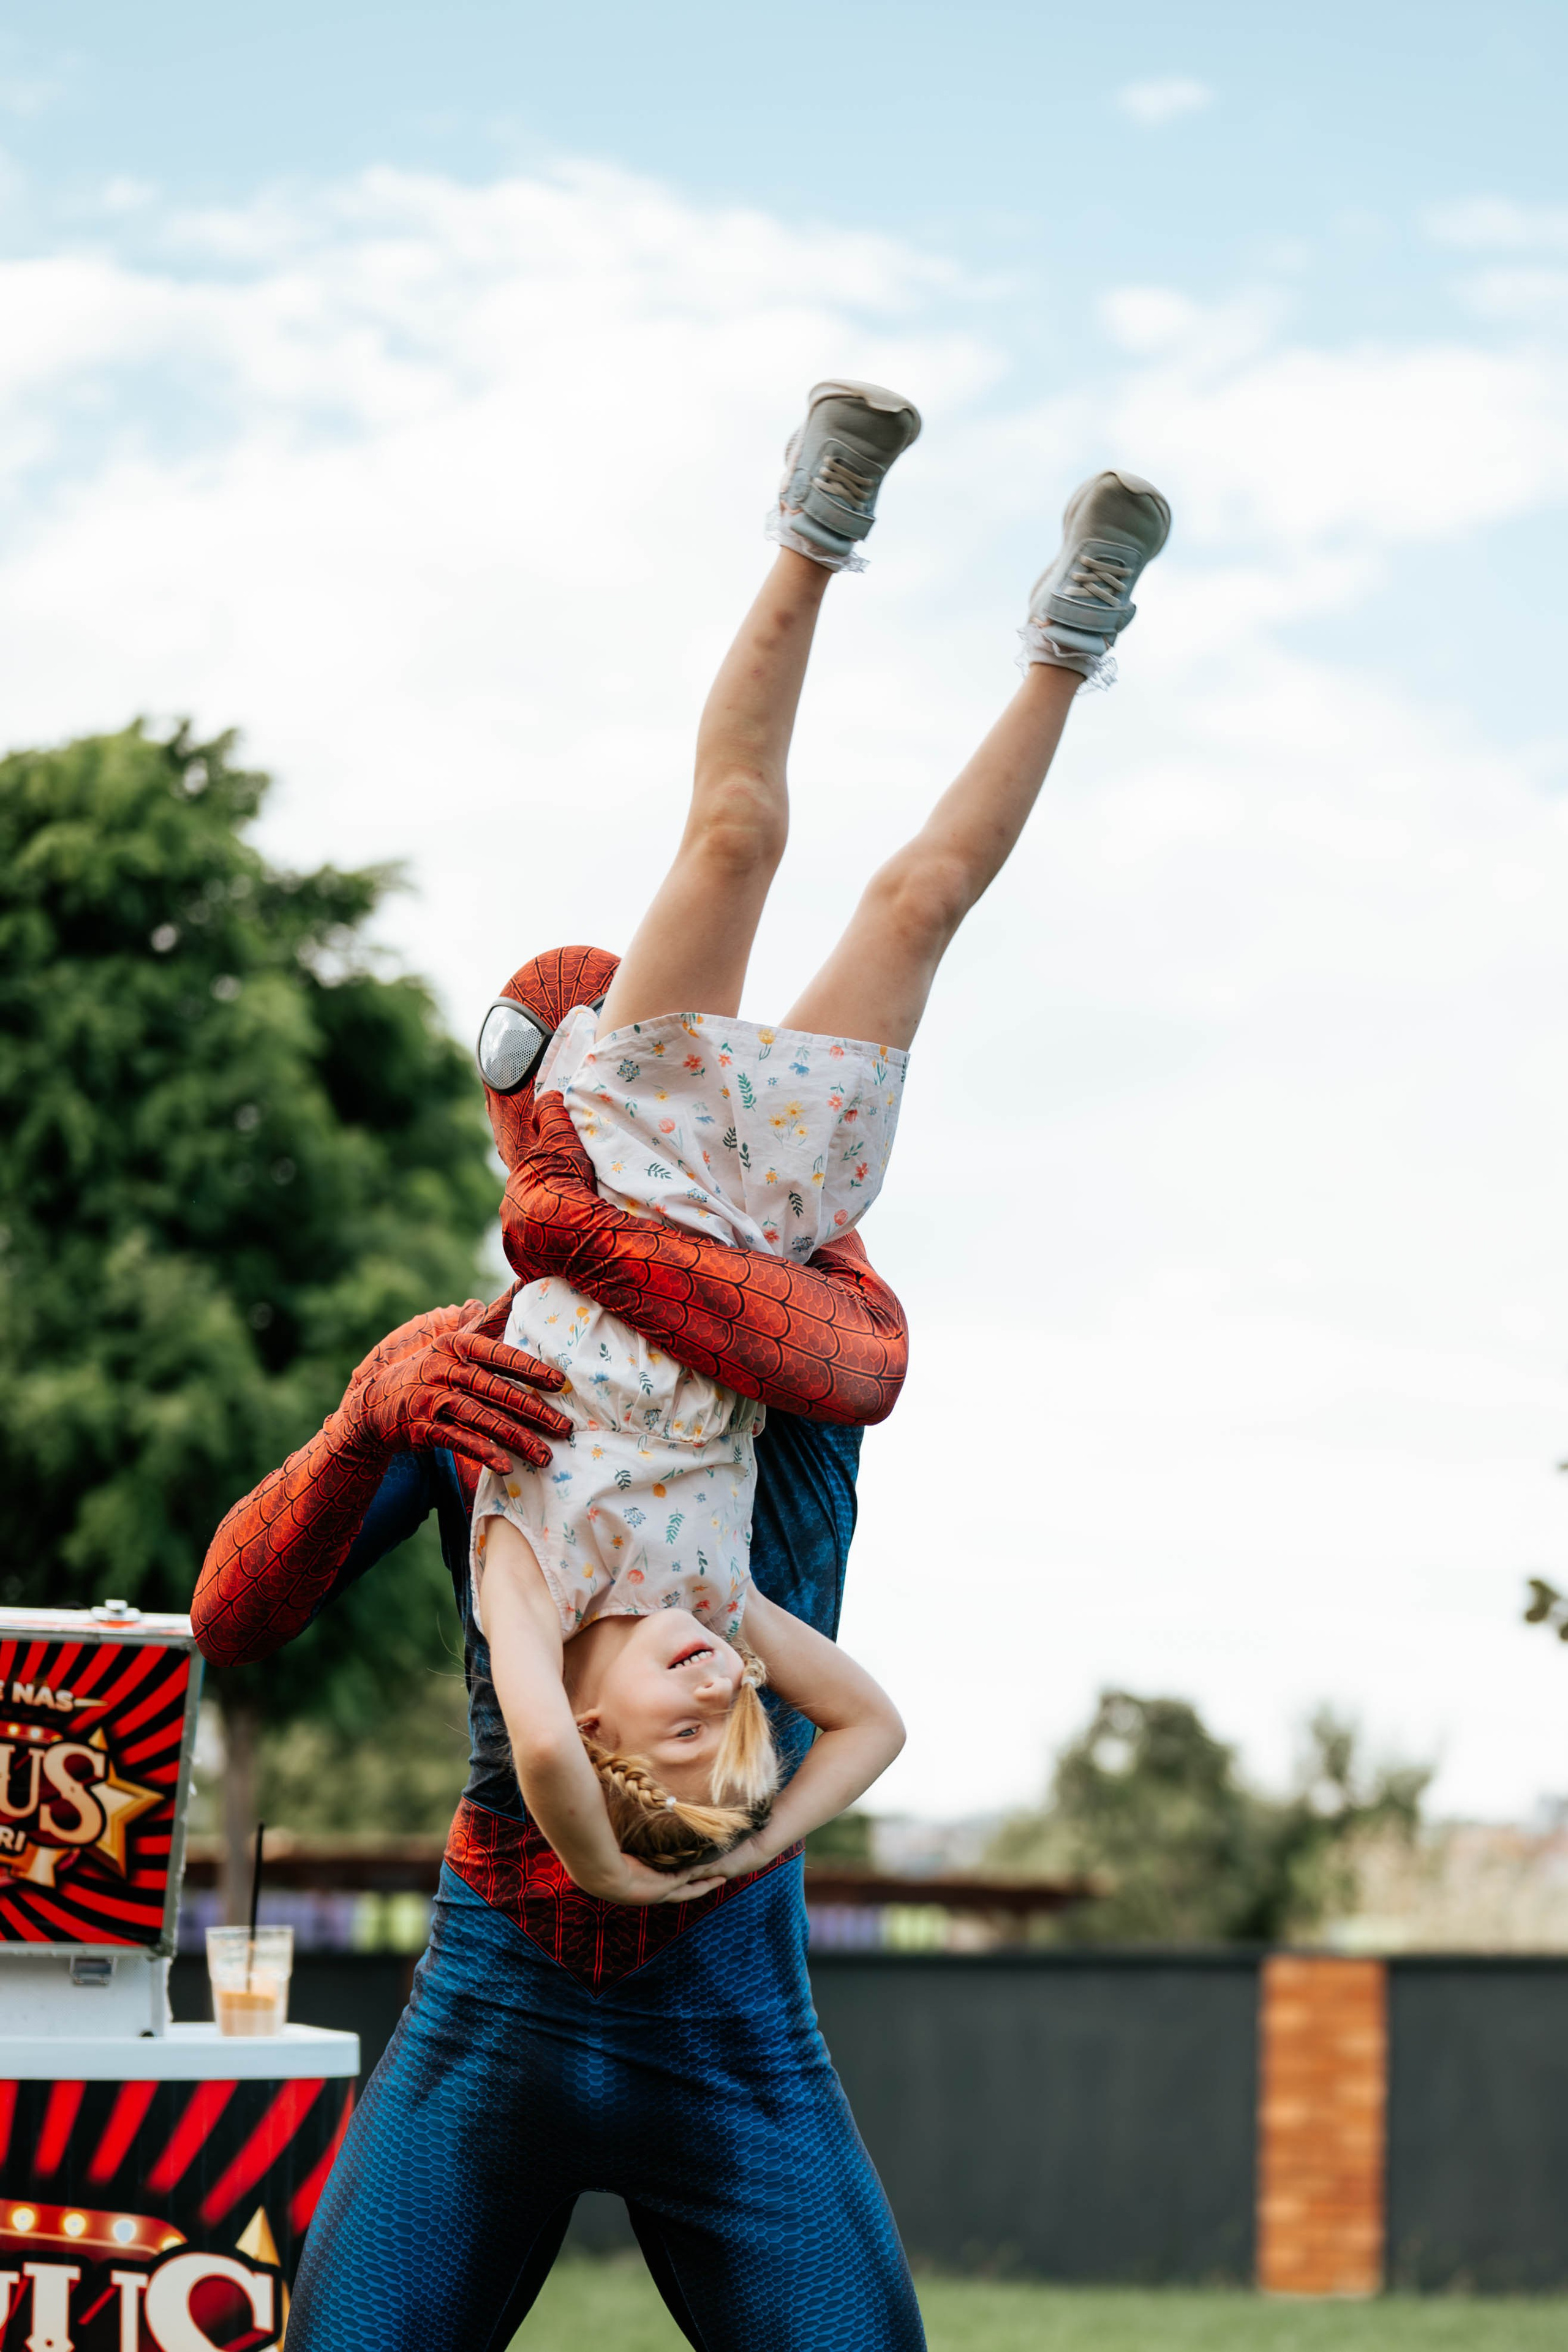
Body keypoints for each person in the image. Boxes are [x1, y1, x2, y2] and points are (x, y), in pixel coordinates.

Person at [192, 380, 1169, 2351]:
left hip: (725, 2022)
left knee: (750, 842)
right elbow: (235, 1613)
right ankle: (1028, 621)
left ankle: (888, 560)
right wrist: (378, 1404)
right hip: (503, 1991)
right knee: (865, 885)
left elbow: (860, 1365)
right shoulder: (579, 1447)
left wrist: (563, 1252)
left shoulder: (614, 1378)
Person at [469, 383, 1170, 1919]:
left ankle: (814, 522)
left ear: (598, 1738)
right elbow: (872, 1725)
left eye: (683, 1723)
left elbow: (530, 1747)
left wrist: (633, 1877)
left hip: (640, 1173)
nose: (722, 1683)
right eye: (735, 1716)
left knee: (733, 837)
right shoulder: (721, 1605)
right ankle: (1075, 633)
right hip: (763, 1235)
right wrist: (748, 1843)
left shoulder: (522, 1580)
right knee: (916, 905)